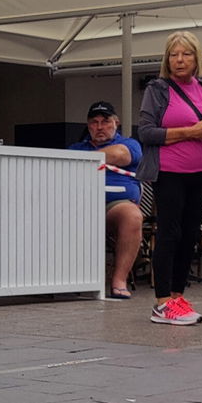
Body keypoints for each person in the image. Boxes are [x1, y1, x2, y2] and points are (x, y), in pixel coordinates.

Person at [136, 31, 202, 325]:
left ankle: (177, 296)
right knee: (169, 234)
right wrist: (191, 132)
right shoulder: (158, 89)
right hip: (170, 172)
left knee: (190, 235)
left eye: (186, 54)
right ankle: (162, 302)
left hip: (201, 173)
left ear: (196, 57)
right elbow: (146, 132)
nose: (179, 60)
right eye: (174, 54)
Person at [69, 101, 145, 300]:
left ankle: (119, 280)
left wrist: (81, 159)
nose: (100, 127)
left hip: (113, 205)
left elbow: (119, 155)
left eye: (105, 121)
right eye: (94, 122)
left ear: (116, 123)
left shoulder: (130, 143)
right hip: (78, 206)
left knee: (132, 216)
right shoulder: (75, 147)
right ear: (88, 126)